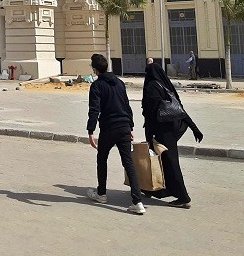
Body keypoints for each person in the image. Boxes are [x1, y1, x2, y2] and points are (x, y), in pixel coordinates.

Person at [86, 53, 145, 215]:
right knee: (128, 163)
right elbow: (126, 105)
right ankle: (137, 201)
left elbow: (94, 110)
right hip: (124, 127)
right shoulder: (119, 83)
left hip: (109, 129)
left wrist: (91, 131)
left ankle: (102, 193)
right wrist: (130, 127)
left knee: (102, 159)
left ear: (95, 69)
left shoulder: (97, 86)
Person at [142, 62, 204, 208]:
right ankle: (157, 191)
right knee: (165, 163)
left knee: (170, 164)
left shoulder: (151, 87)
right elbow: (179, 109)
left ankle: (183, 197)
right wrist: (194, 128)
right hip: (171, 131)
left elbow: (151, 115)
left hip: (161, 132)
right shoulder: (165, 85)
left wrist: (149, 136)